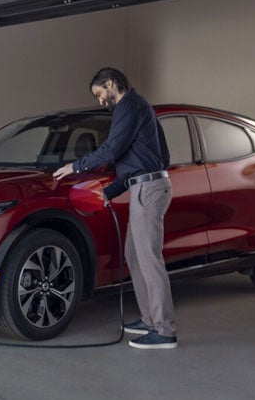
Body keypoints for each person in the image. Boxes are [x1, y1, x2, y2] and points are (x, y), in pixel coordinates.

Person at [53, 67, 176, 349]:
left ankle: (165, 330)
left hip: (148, 189)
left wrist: (76, 165)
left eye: (99, 94)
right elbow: (156, 157)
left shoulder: (128, 105)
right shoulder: (140, 107)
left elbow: (112, 149)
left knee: (149, 259)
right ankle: (149, 319)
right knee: (134, 255)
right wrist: (109, 192)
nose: (100, 101)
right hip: (145, 186)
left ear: (110, 83)